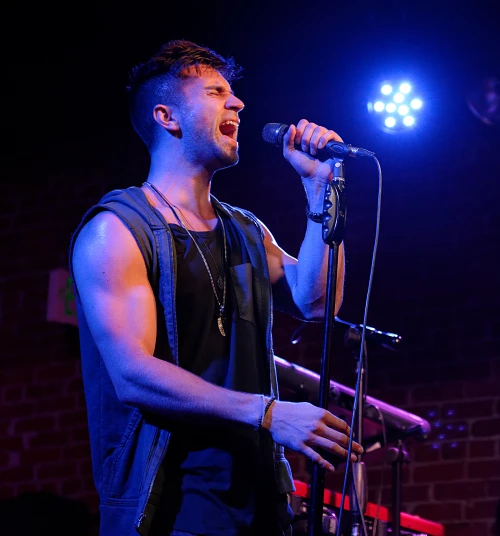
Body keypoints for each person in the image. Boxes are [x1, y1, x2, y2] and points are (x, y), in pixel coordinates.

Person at [68, 39, 362, 536]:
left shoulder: (246, 230)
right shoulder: (117, 230)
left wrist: (319, 189)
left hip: (261, 499)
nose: (238, 103)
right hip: (172, 507)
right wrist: (268, 413)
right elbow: (132, 375)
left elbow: (316, 301)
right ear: (168, 116)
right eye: (215, 92)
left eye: (233, 93)